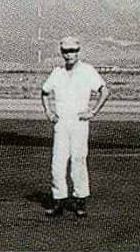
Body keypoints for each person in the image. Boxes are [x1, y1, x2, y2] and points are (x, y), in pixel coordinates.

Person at [41, 36, 110, 218]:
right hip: (62, 123)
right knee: (57, 163)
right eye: (65, 51)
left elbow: (104, 91)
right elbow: (45, 92)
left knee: (78, 161)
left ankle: (80, 200)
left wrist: (93, 112)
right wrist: (49, 112)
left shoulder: (88, 71)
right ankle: (58, 200)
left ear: (78, 52)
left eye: (72, 51)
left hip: (79, 123)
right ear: (61, 53)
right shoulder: (57, 72)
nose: (69, 54)